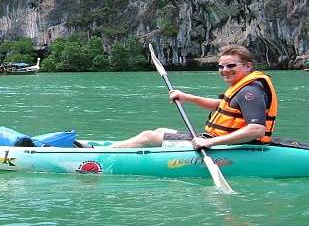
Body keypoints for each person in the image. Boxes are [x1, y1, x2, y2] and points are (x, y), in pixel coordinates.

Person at [110, 44, 277, 149]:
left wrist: (209, 143)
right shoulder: (242, 88)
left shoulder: (250, 92)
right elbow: (222, 105)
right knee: (160, 130)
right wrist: (187, 97)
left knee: (148, 136)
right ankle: (110, 148)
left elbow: (256, 130)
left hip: (233, 147)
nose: (224, 70)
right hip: (217, 140)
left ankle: (102, 153)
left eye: (231, 65)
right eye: (221, 66)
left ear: (248, 67)